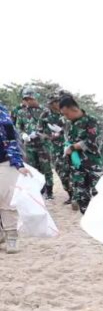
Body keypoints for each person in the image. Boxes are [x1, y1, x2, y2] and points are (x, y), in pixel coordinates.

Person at [57, 96, 103, 217]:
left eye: (67, 114)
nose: (66, 117)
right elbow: (67, 140)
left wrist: (72, 147)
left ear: (74, 109)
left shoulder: (91, 121)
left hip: (92, 164)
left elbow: (91, 141)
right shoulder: (69, 124)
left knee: (99, 193)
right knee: (82, 196)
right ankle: (89, 220)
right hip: (76, 165)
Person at [0, 103, 31, 253]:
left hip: (5, 162)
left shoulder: (4, 118)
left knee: (7, 200)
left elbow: (11, 142)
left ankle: (12, 237)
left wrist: (18, 164)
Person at [13, 89, 55, 200]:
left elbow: (52, 128)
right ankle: (37, 191)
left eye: (30, 98)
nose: (28, 101)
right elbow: (18, 127)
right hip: (29, 145)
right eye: (26, 99)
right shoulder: (21, 112)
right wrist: (23, 134)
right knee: (33, 168)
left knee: (46, 168)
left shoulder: (45, 111)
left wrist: (40, 134)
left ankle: (49, 191)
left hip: (43, 145)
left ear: (34, 97)